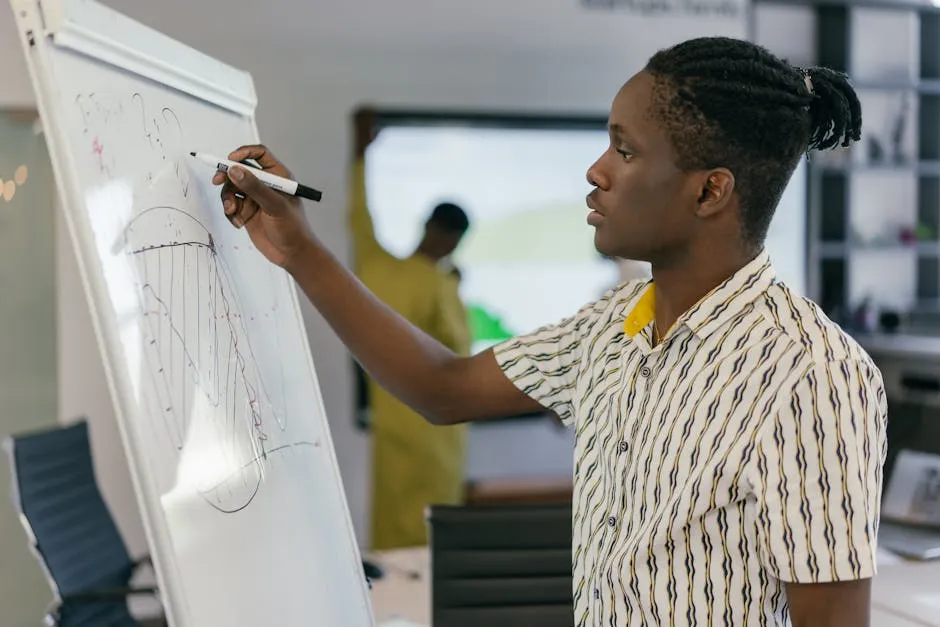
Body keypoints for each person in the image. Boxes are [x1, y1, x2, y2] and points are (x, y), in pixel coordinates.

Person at [213, 36, 886, 626]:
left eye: (624, 150)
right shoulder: (609, 330)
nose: (596, 170)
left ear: (709, 192)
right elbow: (442, 386)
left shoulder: (812, 374)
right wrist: (298, 249)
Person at [346, 108, 473, 550]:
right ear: (454, 239)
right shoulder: (442, 286)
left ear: (426, 225)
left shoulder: (375, 266)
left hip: (392, 428)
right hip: (435, 434)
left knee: (393, 537)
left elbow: (357, 215)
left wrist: (359, 153)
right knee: (432, 541)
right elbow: (462, 355)